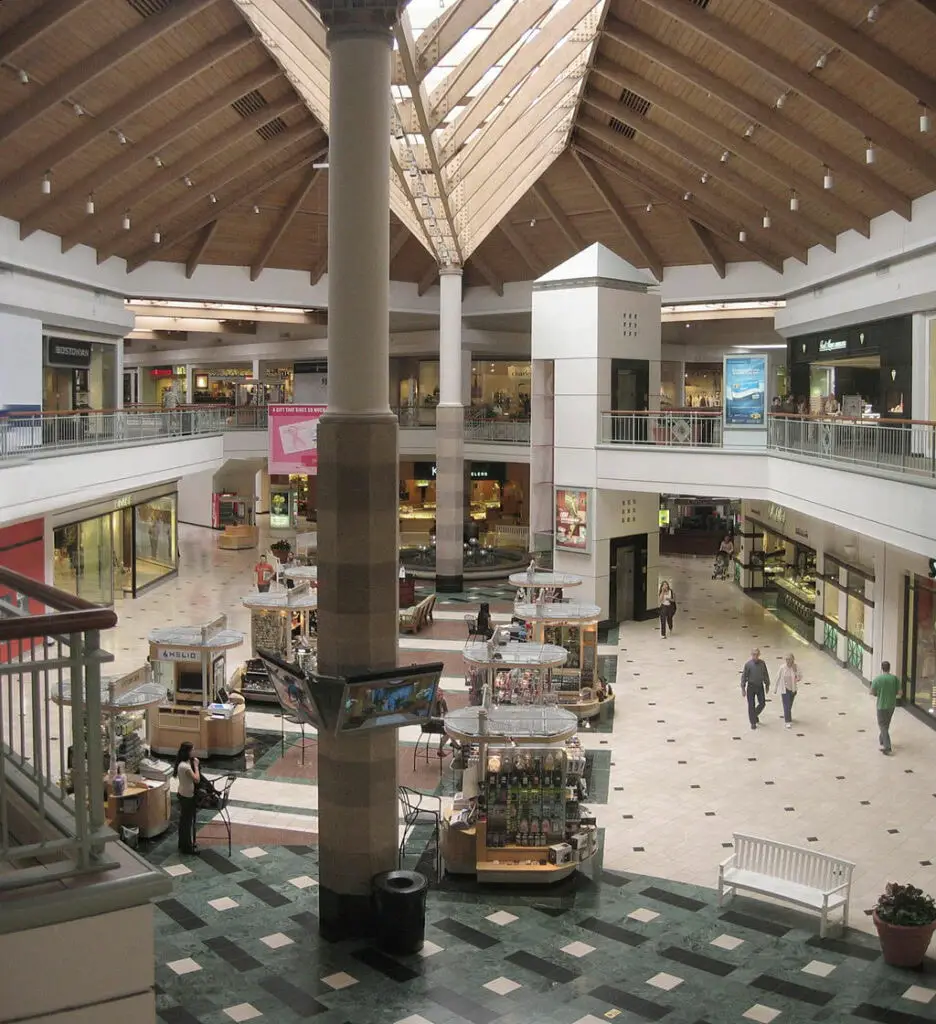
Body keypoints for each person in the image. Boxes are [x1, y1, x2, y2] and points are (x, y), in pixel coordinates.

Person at [173, 741, 200, 855]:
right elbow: (196, 779)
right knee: (186, 822)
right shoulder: (185, 767)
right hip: (187, 796)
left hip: (184, 793)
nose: (194, 752)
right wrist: (197, 766)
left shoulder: (184, 763)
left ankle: (183, 843)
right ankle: (187, 847)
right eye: (192, 750)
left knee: (185, 821)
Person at [870, 660, 901, 755]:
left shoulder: (878, 679)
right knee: (886, 724)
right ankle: (882, 739)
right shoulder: (895, 679)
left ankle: (887, 747)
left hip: (881, 705)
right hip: (892, 705)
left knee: (882, 725)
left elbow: (872, 692)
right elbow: (900, 693)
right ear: (889, 668)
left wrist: (878, 694)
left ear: (882, 668)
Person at [741, 647, 770, 730]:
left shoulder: (762, 663)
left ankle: (754, 715)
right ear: (751, 655)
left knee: (762, 703)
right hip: (751, 686)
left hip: (760, 685)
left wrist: (767, 684)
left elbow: (765, 674)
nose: (755, 656)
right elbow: (744, 676)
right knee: (751, 705)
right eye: (754, 655)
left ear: (759, 655)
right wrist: (743, 688)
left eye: (757, 655)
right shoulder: (748, 665)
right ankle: (753, 722)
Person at [775, 653, 802, 728]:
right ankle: (788, 721)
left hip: (793, 689)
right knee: (786, 705)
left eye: (789, 659)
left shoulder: (796, 667)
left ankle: (787, 714)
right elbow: (778, 677)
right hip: (784, 689)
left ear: (793, 660)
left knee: (789, 705)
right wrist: (776, 688)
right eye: (786, 659)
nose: (788, 661)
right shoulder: (782, 667)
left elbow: (800, 677)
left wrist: (795, 671)